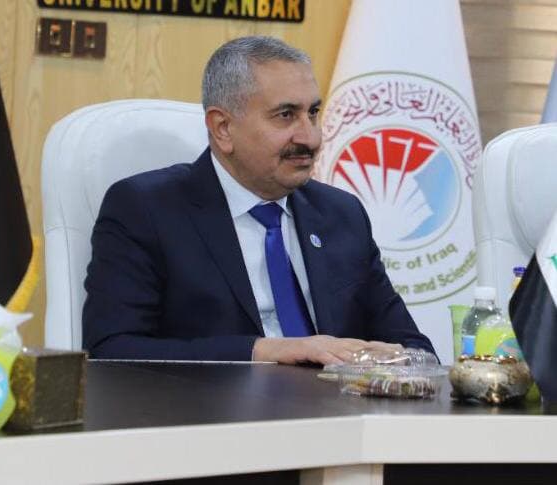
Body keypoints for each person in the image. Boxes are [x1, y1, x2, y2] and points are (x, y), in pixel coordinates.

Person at [82, 36, 435, 364]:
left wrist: (395, 361)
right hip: (212, 408)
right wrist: (265, 351)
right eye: (286, 115)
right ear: (223, 128)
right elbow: (111, 350)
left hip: (335, 406)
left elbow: (415, 348)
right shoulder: (146, 210)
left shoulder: (341, 214)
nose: (310, 137)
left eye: (313, 113)